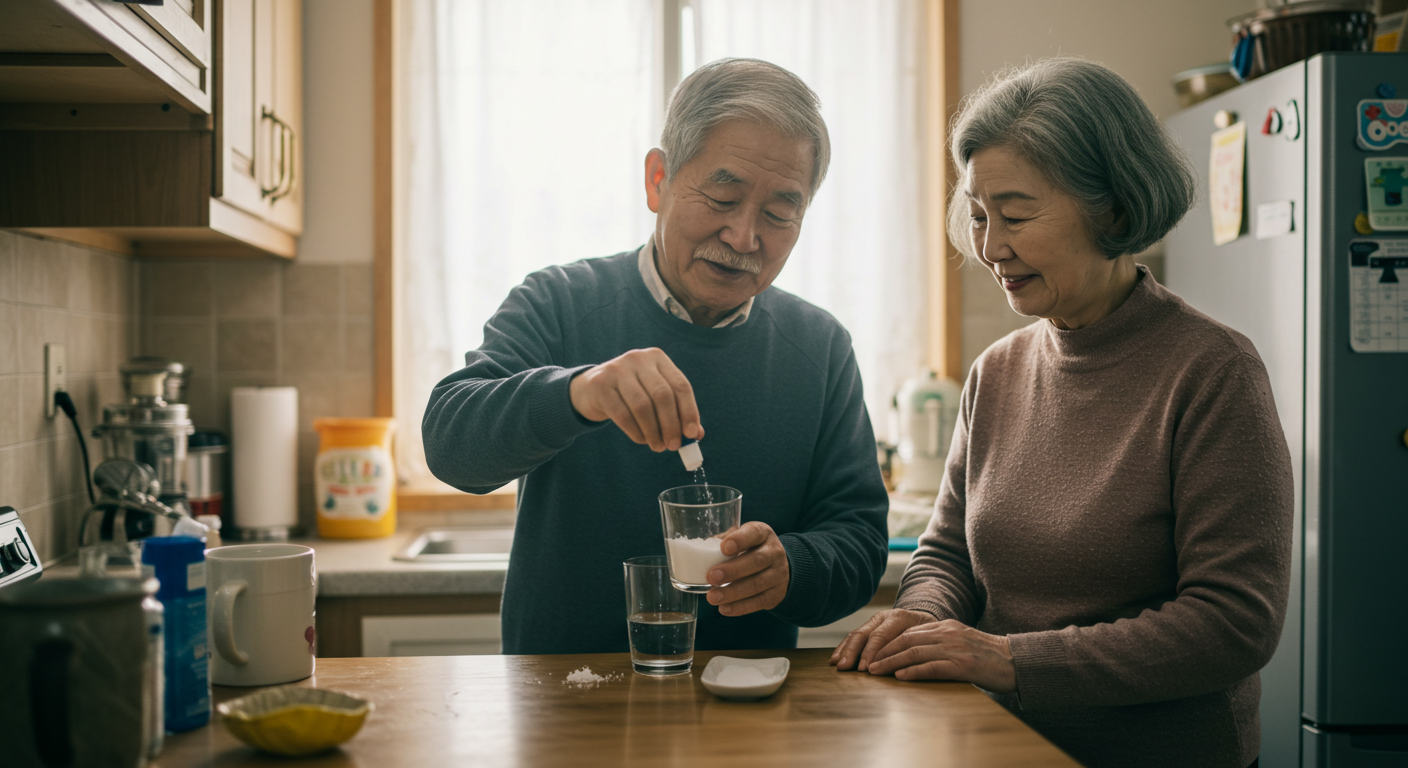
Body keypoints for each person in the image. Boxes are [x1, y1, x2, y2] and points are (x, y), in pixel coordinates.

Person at [830, 58, 1293, 768]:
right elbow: (948, 552)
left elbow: (1233, 625)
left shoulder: (1213, 372)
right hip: (1000, 748)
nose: (989, 248)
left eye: (1014, 216)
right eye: (980, 217)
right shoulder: (997, 372)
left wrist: (1007, 658)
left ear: (1110, 205)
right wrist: (921, 618)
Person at [423, 58, 889, 656]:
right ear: (658, 180)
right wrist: (579, 392)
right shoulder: (559, 304)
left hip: (745, 714)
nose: (745, 237)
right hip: (561, 706)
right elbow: (450, 444)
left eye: (778, 213)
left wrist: (791, 568)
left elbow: (858, 542)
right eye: (723, 195)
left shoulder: (819, 347)